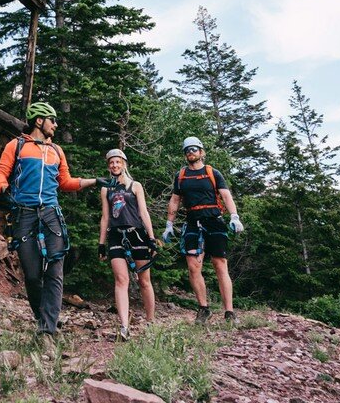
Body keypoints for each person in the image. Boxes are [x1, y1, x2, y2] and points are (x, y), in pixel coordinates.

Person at [0, 102, 101, 345]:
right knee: (32, 275)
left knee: (54, 270)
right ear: (38, 121)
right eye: (51, 119)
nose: (55, 124)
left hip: (51, 214)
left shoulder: (57, 151)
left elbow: (65, 182)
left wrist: (94, 181)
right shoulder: (17, 145)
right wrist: (3, 187)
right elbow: (1, 172)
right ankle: (42, 317)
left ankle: (47, 330)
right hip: (23, 214)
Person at [162, 136, 245, 324]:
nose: (190, 153)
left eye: (194, 149)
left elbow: (225, 195)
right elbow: (175, 200)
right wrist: (169, 224)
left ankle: (229, 312)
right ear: (185, 154)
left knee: (220, 264)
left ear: (201, 152)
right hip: (192, 222)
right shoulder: (181, 175)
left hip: (214, 220)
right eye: (187, 150)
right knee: (193, 266)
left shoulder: (212, 173)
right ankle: (203, 309)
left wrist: (234, 216)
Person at [98, 148, 156, 340]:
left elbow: (144, 212)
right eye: (111, 163)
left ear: (124, 163)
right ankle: (124, 326)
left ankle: (150, 321)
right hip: (116, 236)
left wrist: (152, 238)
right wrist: (101, 243)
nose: (115, 165)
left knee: (144, 280)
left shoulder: (135, 186)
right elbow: (105, 217)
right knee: (121, 280)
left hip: (137, 235)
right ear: (109, 166)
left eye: (117, 162)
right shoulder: (106, 188)